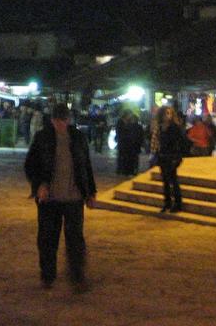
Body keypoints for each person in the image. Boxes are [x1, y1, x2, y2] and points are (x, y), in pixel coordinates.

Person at [24, 102, 97, 292]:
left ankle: (77, 277)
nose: (61, 124)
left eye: (64, 120)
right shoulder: (43, 137)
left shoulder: (78, 137)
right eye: (57, 120)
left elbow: (85, 166)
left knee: (75, 240)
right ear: (52, 120)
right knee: (48, 239)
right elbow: (30, 165)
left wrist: (90, 192)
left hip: (74, 197)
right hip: (50, 199)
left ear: (69, 119)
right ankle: (47, 275)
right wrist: (39, 185)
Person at [152, 106, 188, 213]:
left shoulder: (175, 127)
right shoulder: (160, 127)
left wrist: (178, 156)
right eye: (166, 113)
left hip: (172, 157)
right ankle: (167, 202)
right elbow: (158, 142)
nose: (168, 115)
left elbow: (181, 142)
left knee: (173, 180)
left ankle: (178, 203)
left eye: (170, 113)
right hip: (163, 156)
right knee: (165, 181)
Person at [115, 110, 144, 176]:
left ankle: (125, 170)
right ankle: (123, 170)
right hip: (124, 142)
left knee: (127, 157)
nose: (130, 117)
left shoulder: (129, 124)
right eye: (129, 115)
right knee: (124, 157)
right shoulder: (121, 122)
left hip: (129, 143)